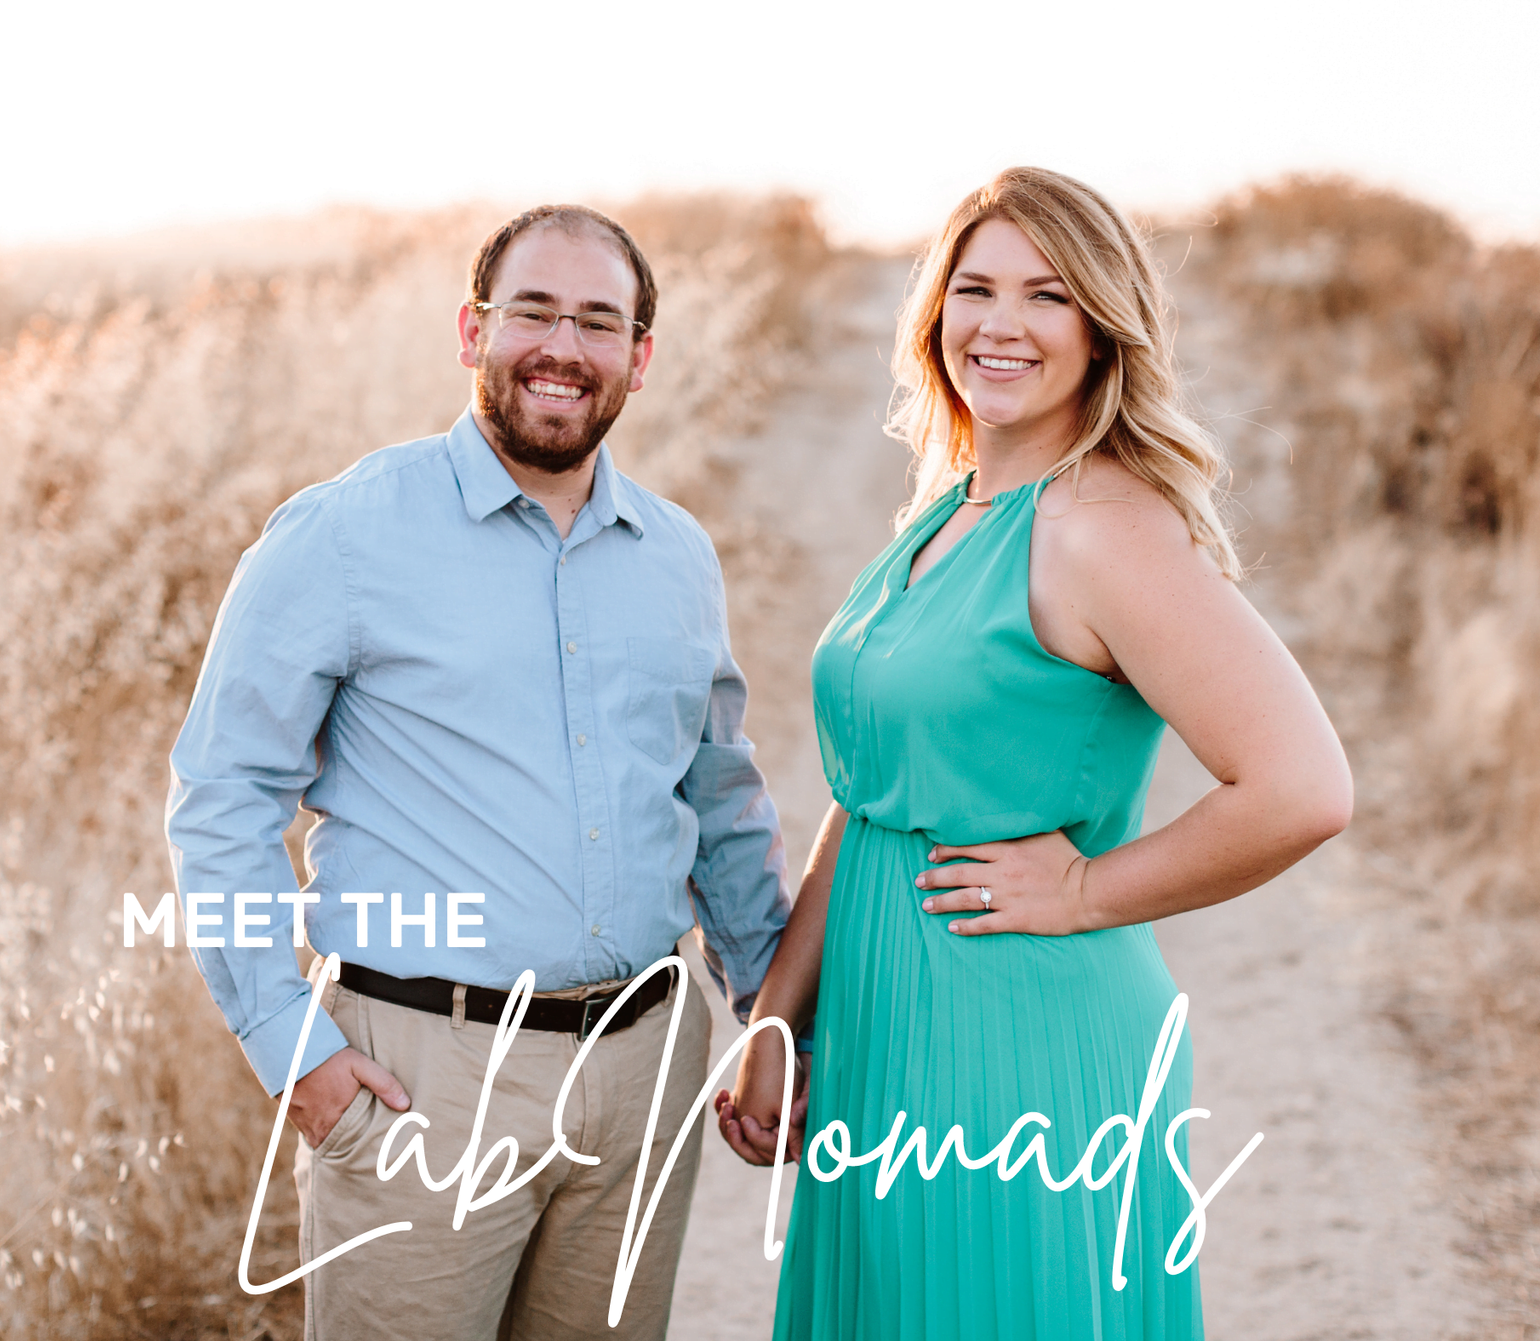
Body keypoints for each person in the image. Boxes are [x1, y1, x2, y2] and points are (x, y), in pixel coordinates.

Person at [714, 167, 1354, 1339]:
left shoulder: (1101, 526)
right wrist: (775, 1021)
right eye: (974, 289)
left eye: (1046, 296)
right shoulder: (946, 511)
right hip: (883, 1032)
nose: (1000, 324)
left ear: (1102, 332)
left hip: (1019, 1039)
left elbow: (1303, 788)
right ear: (934, 314)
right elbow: (870, 799)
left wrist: (1083, 889)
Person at [166, 204, 792, 1341]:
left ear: (639, 358)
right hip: (425, 1080)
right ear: (471, 331)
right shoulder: (341, 536)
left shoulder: (678, 557)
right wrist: (287, 1045)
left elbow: (717, 797)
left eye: (599, 322)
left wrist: (769, 1012)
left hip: (642, 1071)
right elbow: (224, 792)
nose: (564, 347)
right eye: (533, 313)